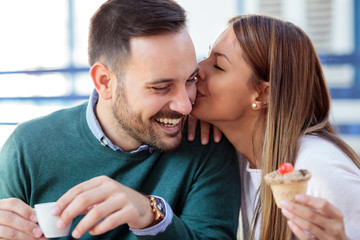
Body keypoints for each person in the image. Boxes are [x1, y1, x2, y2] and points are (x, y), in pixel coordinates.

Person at [0, 0, 241, 239]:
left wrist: (151, 215)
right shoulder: (27, 148)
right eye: (161, 87)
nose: (186, 105)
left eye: (190, 79)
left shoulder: (207, 143)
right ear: (105, 82)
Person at [188, 14, 360, 240]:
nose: (197, 69)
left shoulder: (319, 173)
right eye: (207, 56)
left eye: (218, 66)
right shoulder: (237, 154)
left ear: (264, 94)